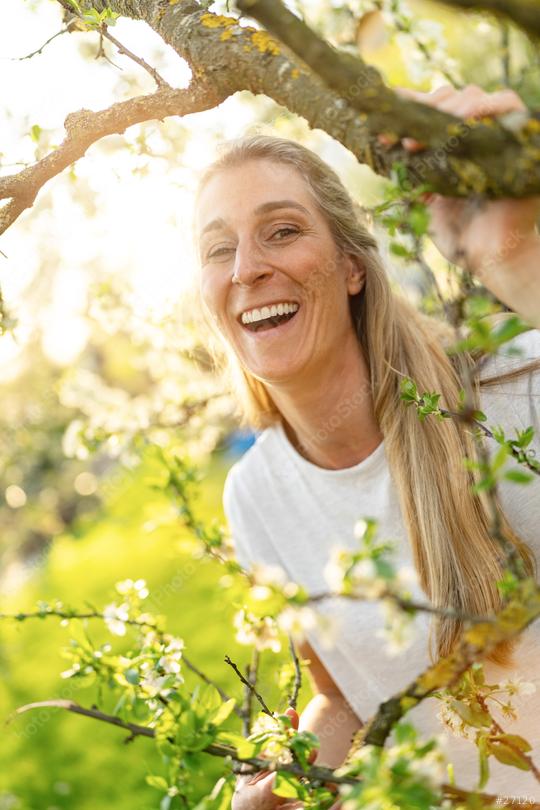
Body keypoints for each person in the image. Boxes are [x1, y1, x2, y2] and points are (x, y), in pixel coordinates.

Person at [194, 85, 540, 807]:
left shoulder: (514, 396)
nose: (245, 269)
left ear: (352, 267)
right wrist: (287, 775)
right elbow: (347, 698)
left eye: (281, 231)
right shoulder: (254, 498)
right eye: (219, 249)